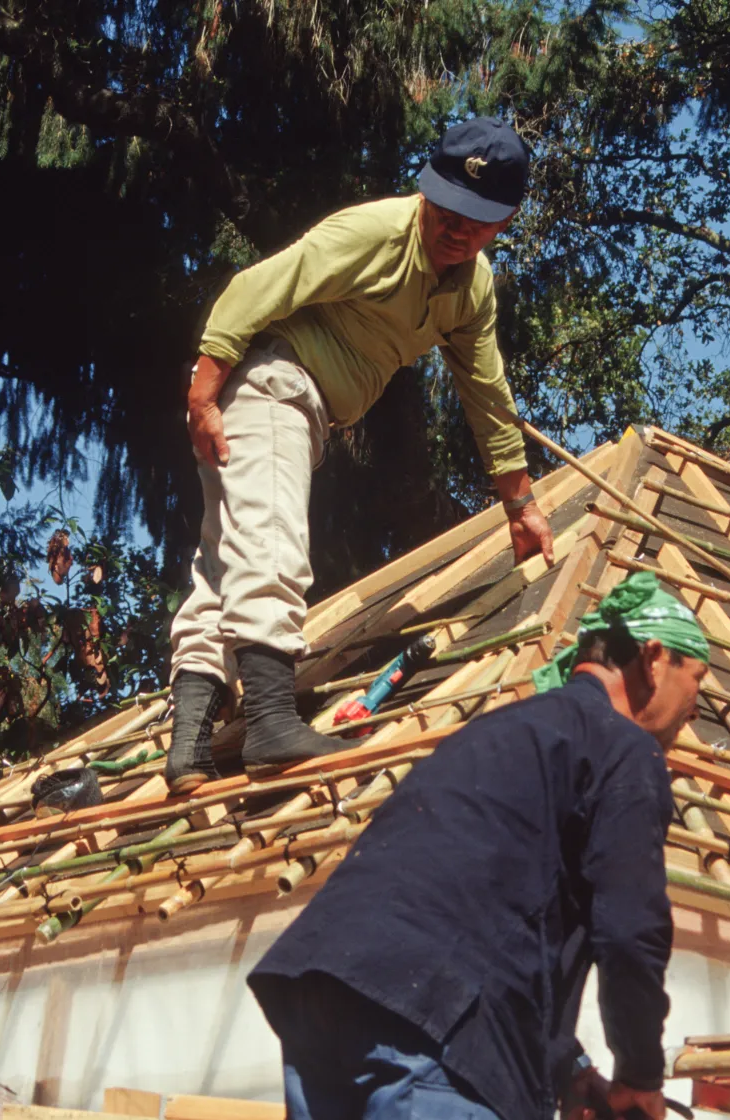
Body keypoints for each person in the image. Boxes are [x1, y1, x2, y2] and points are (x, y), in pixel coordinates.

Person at [248, 572, 709, 1120]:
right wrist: (641, 1076)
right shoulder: (623, 749)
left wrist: (566, 1075)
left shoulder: (504, 733)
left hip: (325, 995)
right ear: (651, 660)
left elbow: (489, 927)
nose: (693, 711)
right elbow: (629, 931)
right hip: (427, 1027)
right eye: (695, 683)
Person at [165, 116, 555, 793]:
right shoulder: (374, 232)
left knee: (221, 567)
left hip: (297, 410)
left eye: (476, 220)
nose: (455, 228)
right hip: (271, 388)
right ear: (427, 192)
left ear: (506, 220)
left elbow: (486, 393)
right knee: (271, 545)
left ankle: (188, 750)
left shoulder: (470, 291)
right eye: (446, 210)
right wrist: (201, 396)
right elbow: (258, 287)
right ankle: (270, 725)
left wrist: (519, 505)